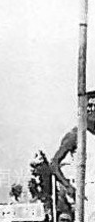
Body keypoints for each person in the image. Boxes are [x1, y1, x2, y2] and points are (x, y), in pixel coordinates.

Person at [50, 93, 95, 222]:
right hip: (87, 190)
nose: (92, 110)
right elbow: (54, 164)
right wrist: (68, 186)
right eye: (89, 106)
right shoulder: (76, 134)